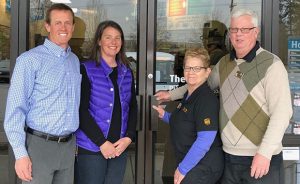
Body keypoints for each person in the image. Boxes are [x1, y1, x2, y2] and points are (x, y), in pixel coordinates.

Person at [155, 8, 292, 184]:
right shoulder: (224, 64)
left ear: (256, 32)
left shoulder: (272, 65)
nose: (238, 34)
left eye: (245, 29)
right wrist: (171, 94)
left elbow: (282, 114)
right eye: (234, 30)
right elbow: (199, 83)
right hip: (228, 158)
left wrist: (264, 153)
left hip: (260, 159)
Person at [4, 3, 80, 184]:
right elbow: (15, 110)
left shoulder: (74, 60)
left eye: (68, 23)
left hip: (68, 147)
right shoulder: (29, 60)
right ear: (47, 26)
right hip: (38, 146)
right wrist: (20, 154)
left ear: (73, 27)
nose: (63, 28)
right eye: (58, 23)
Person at [75, 20, 137, 184]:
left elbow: (132, 107)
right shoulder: (86, 68)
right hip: (92, 147)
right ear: (99, 41)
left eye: (118, 38)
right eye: (108, 37)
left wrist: (129, 138)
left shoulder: (126, 71)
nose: (113, 42)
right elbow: (81, 110)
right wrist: (102, 143)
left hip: (119, 147)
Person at [153, 48, 224, 184]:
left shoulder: (206, 100)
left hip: (203, 167)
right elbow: (185, 122)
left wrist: (182, 169)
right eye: (188, 67)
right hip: (191, 163)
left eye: (197, 68)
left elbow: (205, 141)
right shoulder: (189, 94)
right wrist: (165, 115)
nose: (191, 72)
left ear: (207, 72)